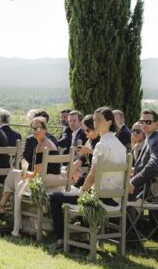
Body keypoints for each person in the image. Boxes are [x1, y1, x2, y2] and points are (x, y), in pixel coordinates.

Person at [47, 107, 126, 250]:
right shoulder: (121, 146)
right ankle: (83, 238)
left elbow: (92, 176)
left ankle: (61, 241)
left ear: (109, 122)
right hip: (117, 200)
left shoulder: (101, 145)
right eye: (94, 119)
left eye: (99, 120)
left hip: (100, 200)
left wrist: (82, 193)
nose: (95, 122)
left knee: (54, 197)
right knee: (77, 192)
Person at [0, 116, 67, 237]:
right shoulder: (49, 142)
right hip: (53, 178)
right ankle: (5, 209)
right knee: (15, 175)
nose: (35, 131)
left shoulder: (42, 146)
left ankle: (6, 211)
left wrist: (26, 174)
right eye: (33, 128)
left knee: (15, 178)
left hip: (45, 181)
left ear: (45, 129)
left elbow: (37, 175)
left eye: (38, 128)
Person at [129, 109, 158, 201]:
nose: (144, 124)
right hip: (144, 187)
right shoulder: (149, 139)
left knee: (115, 194)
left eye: (148, 122)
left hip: (151, 191)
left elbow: (153, 166)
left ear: (157, 124)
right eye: (142, 122)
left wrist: (132, 182)